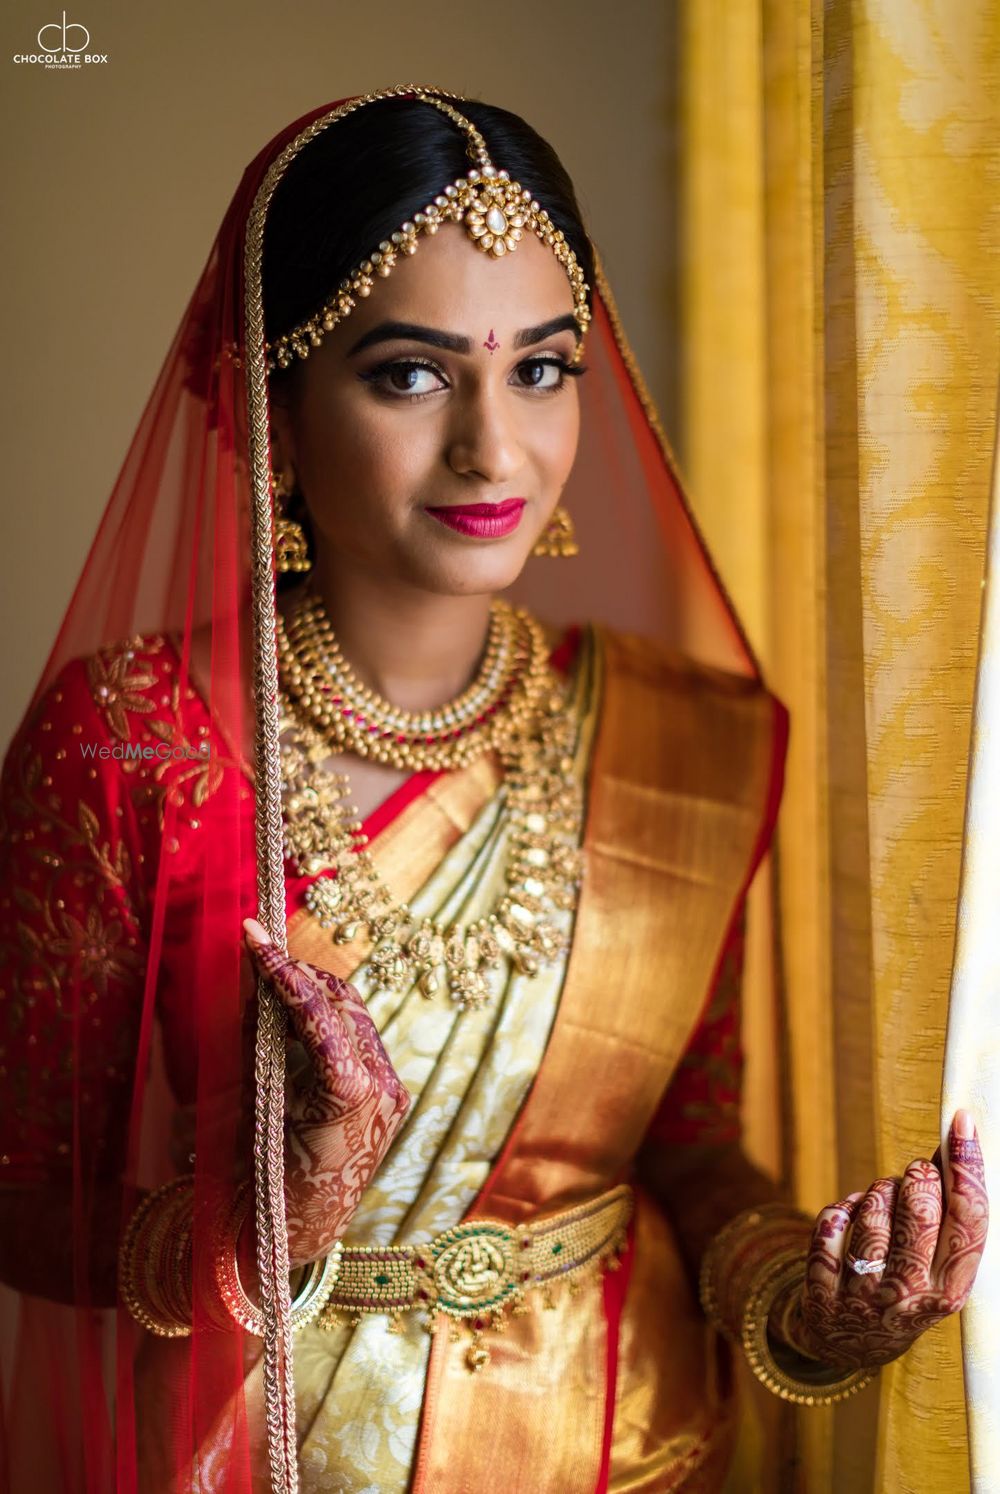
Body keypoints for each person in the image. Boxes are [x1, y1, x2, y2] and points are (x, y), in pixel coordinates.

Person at [0, 86, 987, 1494]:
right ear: (270, 402)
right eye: (410, 372)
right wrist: (258, 1217)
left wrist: (806, 1300)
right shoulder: (131, 742)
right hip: (256, 1452)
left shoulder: (688, 741)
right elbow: (28, 1192)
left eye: (540, 367)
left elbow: (692, 1154)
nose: (495, 448)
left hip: (627, 1449)